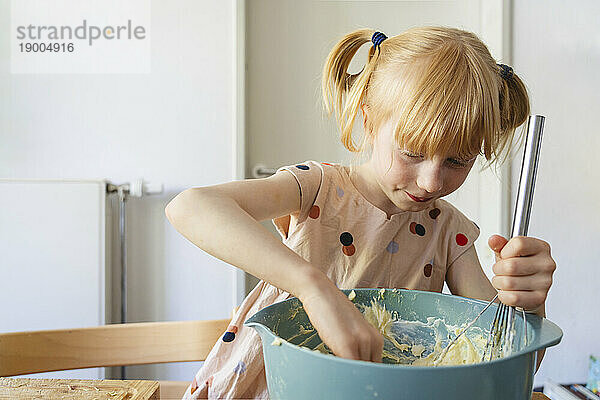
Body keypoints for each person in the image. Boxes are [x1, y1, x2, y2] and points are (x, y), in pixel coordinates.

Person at [166, 26, 556, 399]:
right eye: (412, 153)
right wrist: (313, 287)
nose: (432, 182)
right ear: (369, 120)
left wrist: (530, 302)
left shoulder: (449, 232)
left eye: (458, 160)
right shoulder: (316, 188)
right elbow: (190, 206)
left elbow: (512, 363)